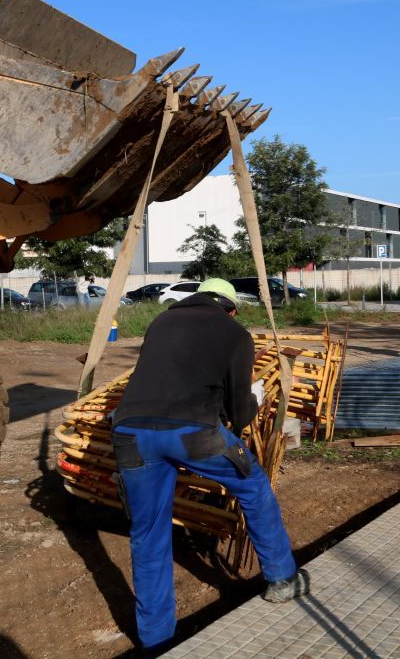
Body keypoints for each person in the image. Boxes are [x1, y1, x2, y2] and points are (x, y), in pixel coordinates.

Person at [110, 278, 308, 652]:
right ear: (231, 309)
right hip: (191, 433)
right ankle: (282, 578)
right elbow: (237, 413)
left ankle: (156, 640)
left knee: (148, 531)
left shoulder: (162, 322)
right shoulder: (234, 333)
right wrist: (256, 396)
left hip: (130, 433)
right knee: (253, 486)